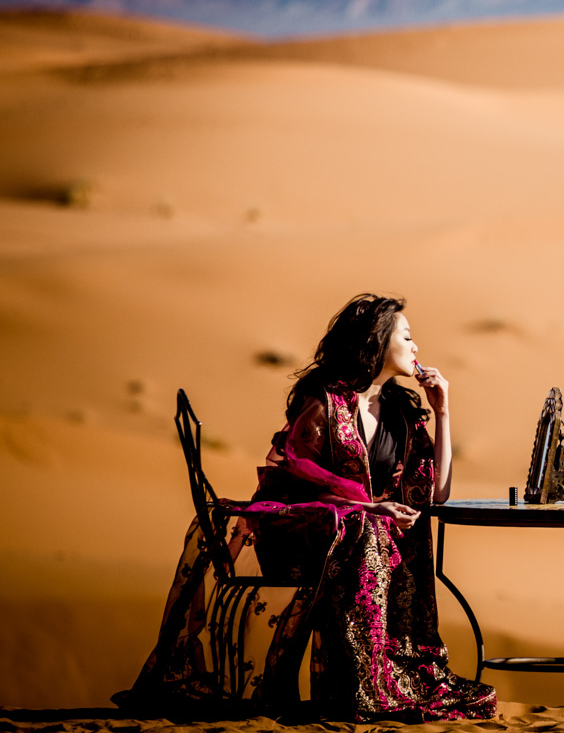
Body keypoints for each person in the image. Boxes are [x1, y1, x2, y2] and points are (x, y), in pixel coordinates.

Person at [117, 294, 497, 720]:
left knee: (379, 533)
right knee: (367, 531)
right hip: (303, 534)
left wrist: (442, 411)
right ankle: (364, 684)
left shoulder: (401, 415)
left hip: (362, 544)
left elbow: (437, 495)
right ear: (376, 341)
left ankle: (368, 679)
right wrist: (369, 509)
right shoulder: (323, 404)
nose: (415, 348)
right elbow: (294, 481)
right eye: (406, 337)